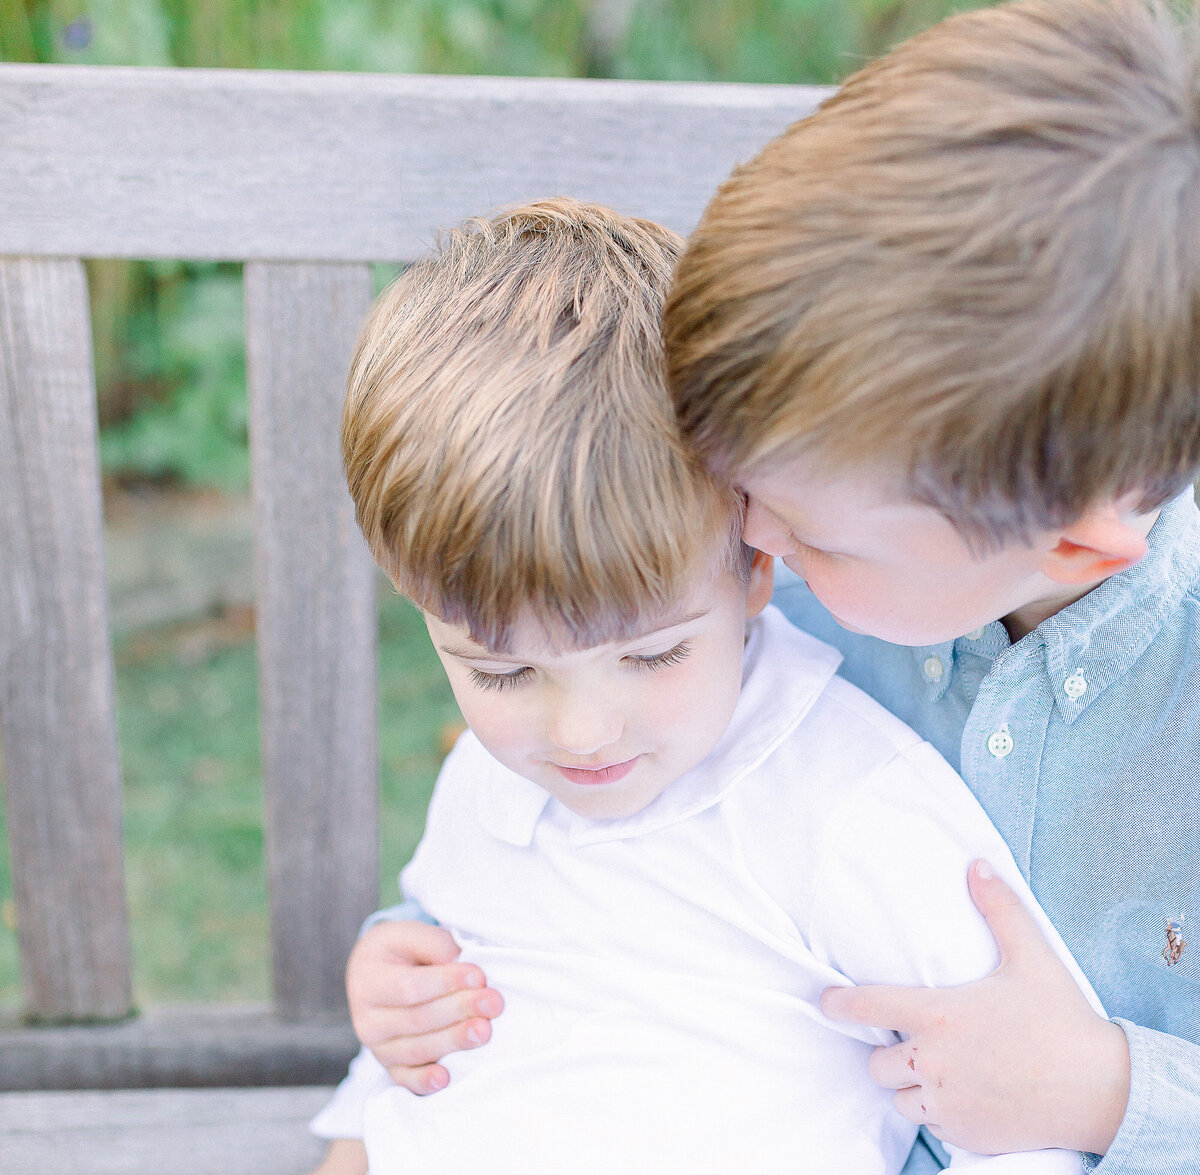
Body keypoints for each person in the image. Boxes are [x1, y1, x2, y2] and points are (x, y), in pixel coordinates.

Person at [340, 2, 1199, 1173]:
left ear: (1075, 549)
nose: (744, 537)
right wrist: (410, 958)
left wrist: (1109, 1090)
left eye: (804, 527)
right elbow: (577, 884)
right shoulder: (746, 608)